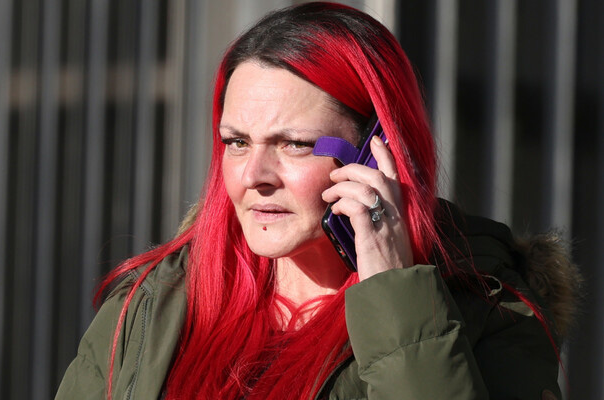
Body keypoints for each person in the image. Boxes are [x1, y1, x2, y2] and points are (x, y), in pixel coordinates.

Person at [56, 3, 580, 399]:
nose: (253, 177)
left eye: (294, 144)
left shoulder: (488, 309)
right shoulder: (155, 303)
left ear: (378, 149)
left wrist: (398, 300)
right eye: (236, 142)